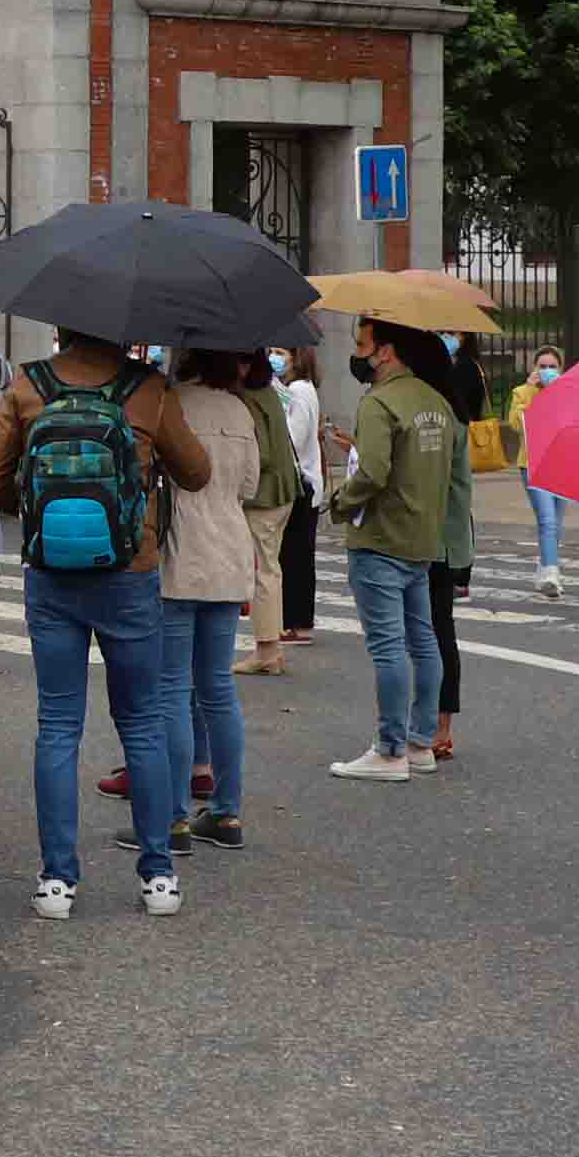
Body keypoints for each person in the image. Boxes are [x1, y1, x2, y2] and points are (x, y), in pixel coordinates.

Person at [0, 324, 212, 920]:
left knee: (58, 724)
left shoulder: (28, 386)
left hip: (51, 573)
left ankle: (57, 880)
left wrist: (41, 512)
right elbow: (198, 473)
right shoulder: (149, 388)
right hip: (131, 570)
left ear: (61, 327)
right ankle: (158, 875)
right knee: (143, 722)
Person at [153, 350, 289, 851]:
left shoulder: (171, 402)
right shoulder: (240, 409)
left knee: (171, 688)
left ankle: (171, 818)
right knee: (217, 688)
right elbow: (251, 484)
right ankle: (227, 813)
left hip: (181, 554)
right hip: (231, 553)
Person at [322, 319, 457, 785]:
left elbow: (373, 471)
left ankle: (390, 749)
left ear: (386, 351)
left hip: (380, 539)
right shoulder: (435, 401)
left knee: (387, 647)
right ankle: (420, 743)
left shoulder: (380, 402)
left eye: (363, 345)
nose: (358, 353)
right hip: (422, 539)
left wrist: (340, 503)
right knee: (423, 641)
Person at [424, 332, 483, 764]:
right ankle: (439, 726)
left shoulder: (437, 419)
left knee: (428, 633)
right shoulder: (454, 415)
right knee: (441, 630)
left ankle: (433, 725)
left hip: (431, 540)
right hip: (449, 540)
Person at [271, 346, 325, 661]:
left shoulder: (300, 391)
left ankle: (299, 623)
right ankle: (294, 620)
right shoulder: (296, 390)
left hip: (302, 484)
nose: (275, 357)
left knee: (297, 557)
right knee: (293, 555)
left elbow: (294, 437)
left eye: (281, 352)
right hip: (303, 482)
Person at [509, 346, 571, 599]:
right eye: (542, 366)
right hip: (533, 464)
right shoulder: (522, 393)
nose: (546, 371)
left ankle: (544, 566)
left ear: (560, 369)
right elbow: (516, 424)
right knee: (547, 520)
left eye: (552, 366)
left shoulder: (567, 392)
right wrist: (532, 392)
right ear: (533, 369)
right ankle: (551, 573)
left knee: (555, 522)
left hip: (562, 464)